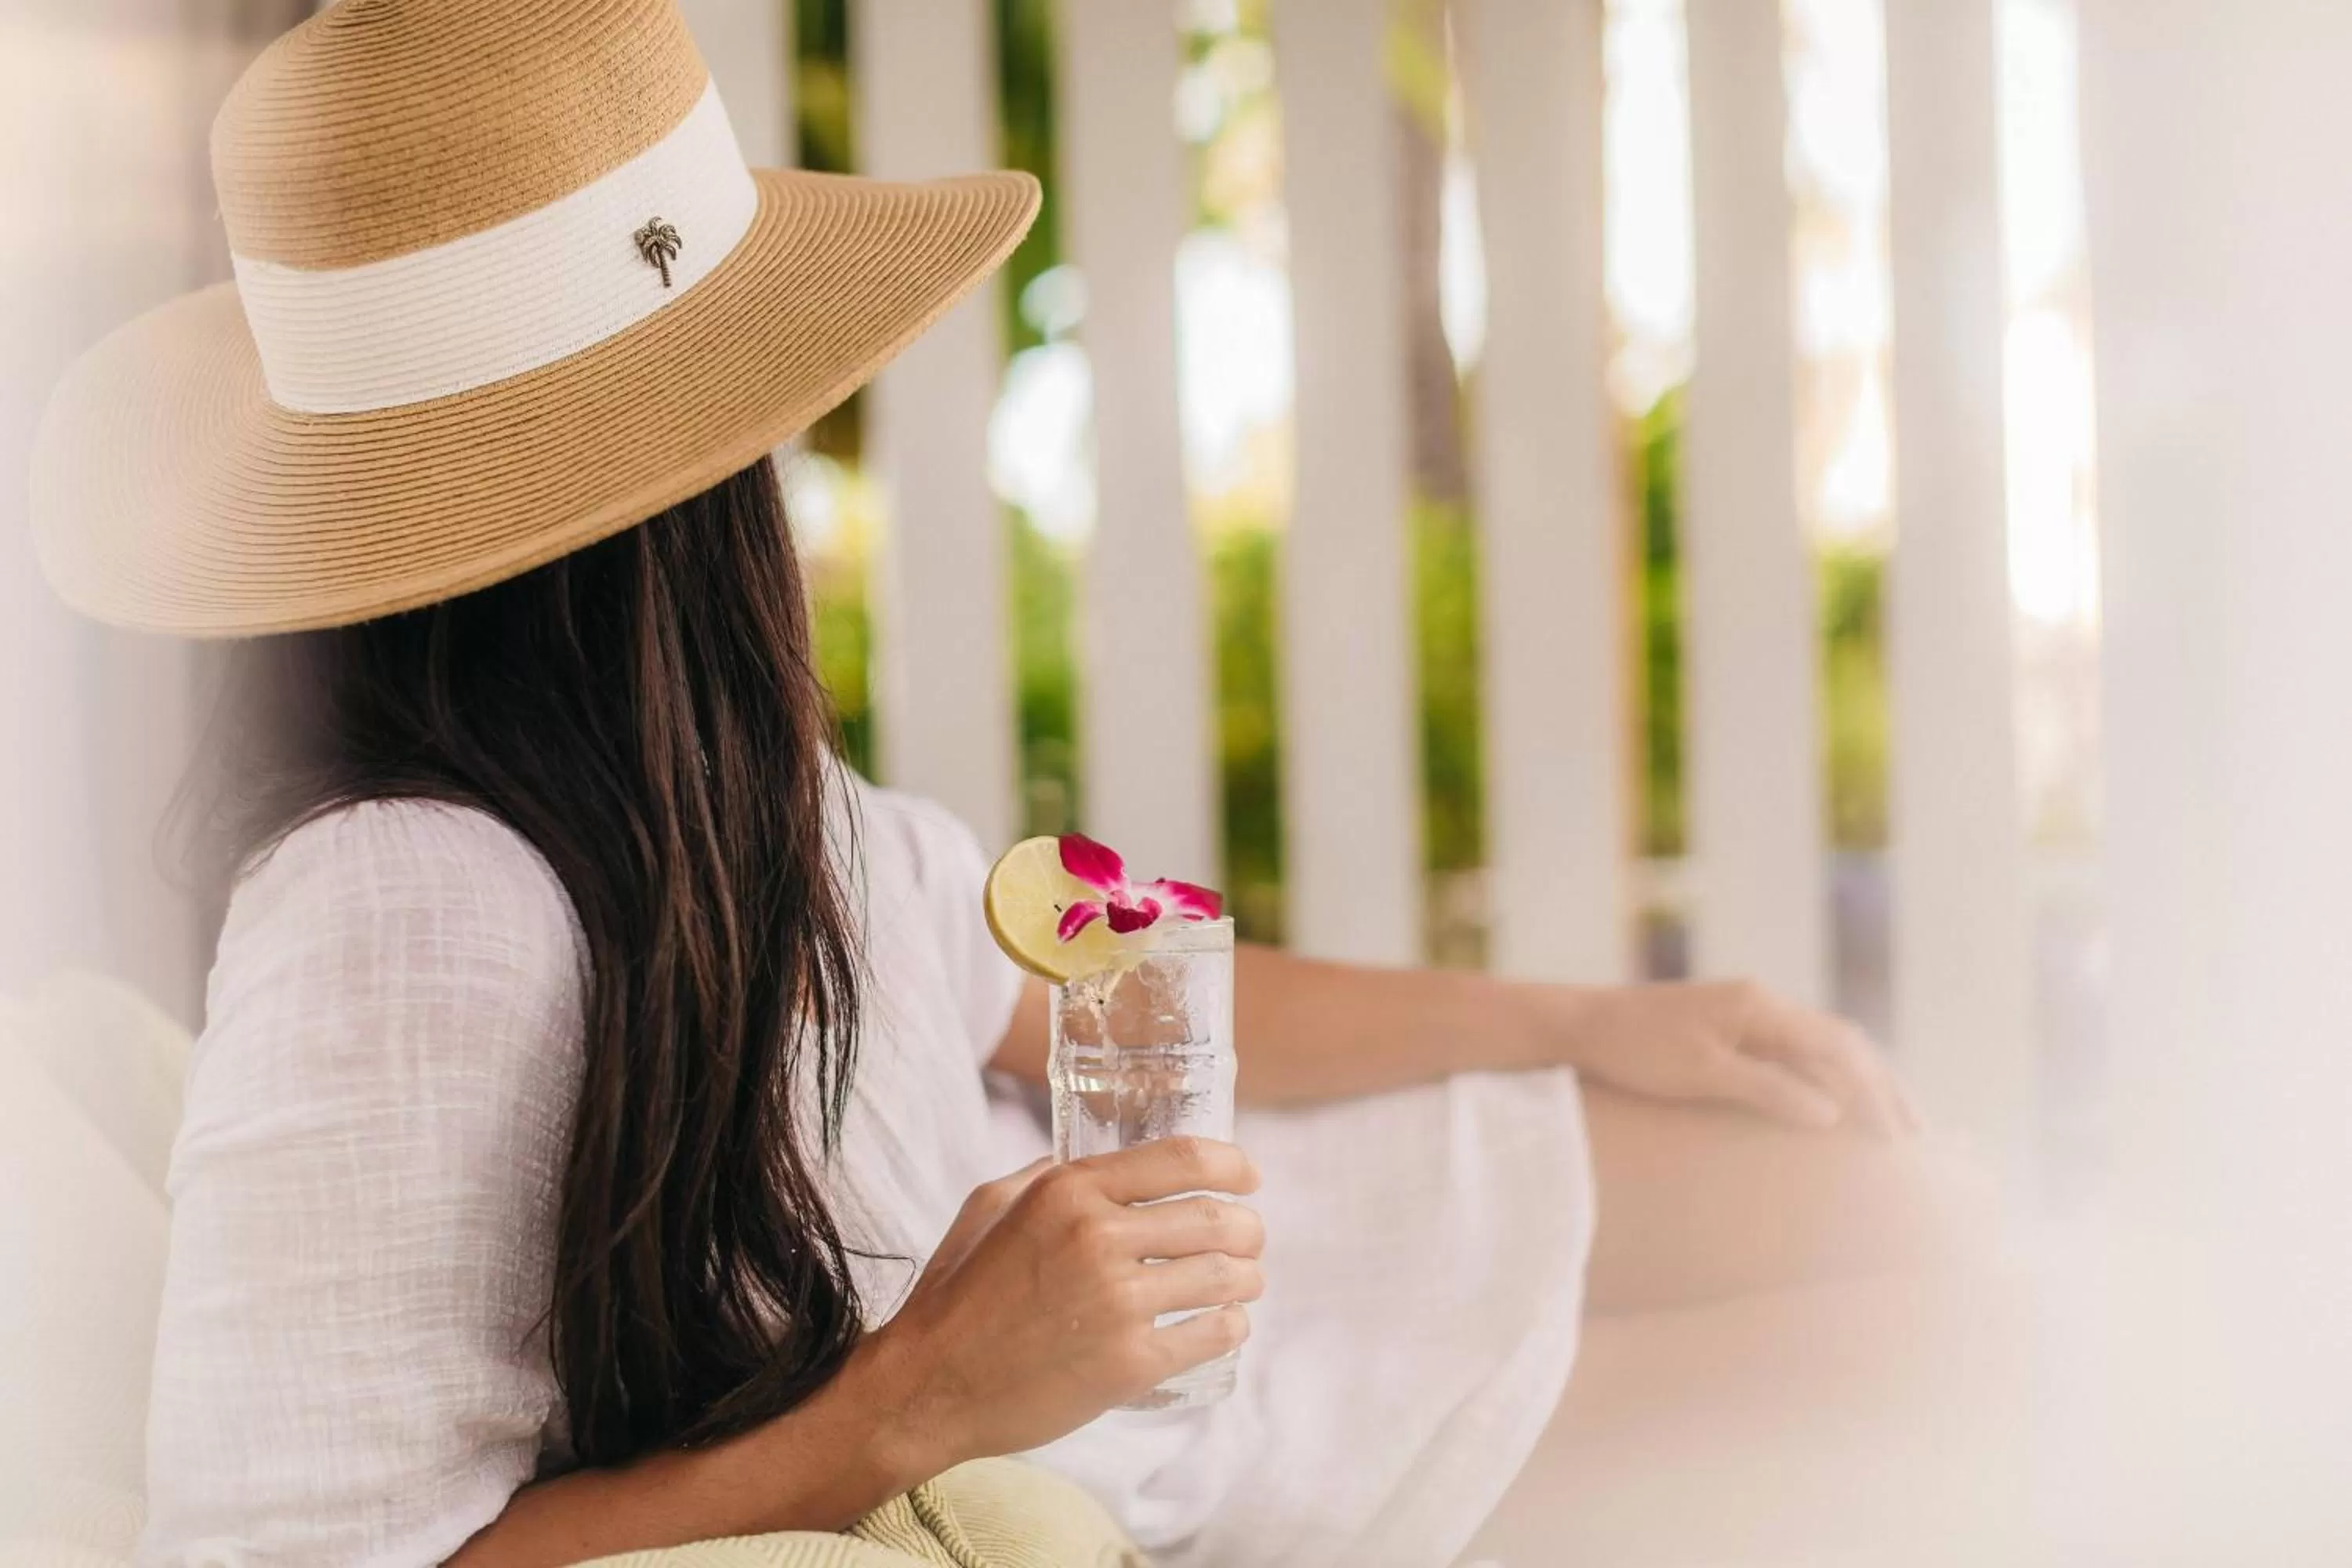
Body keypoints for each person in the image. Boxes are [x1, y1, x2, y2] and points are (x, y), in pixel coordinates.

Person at [31, 2, 1987, 1564]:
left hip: (1231, 1276)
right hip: (1182, 1435)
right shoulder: (402, 910)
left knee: (1899, 1202)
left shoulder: (686, 768)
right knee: (1957, 1348)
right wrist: (924, 1403)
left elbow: (1075, 987)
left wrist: (1598, 1018)